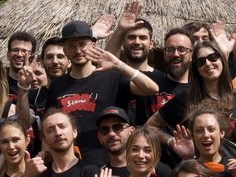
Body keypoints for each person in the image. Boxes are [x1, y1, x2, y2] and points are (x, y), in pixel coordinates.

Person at [19, 19, 160, 151]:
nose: (78, 50)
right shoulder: (57, 86)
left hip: (109, 162)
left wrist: (120, 65)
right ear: (65, 50)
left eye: (82, 44)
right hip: (71, 163)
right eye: (71, 46)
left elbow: (151, 89)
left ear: (93, 45)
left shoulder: (112, 77)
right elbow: (48, 126)